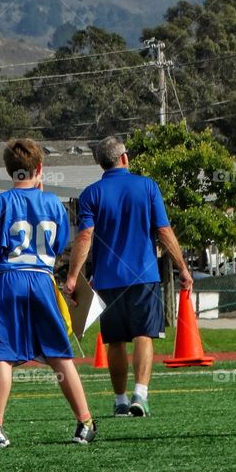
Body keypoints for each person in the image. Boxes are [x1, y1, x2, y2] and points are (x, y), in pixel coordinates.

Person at [0, 138, 96, 448]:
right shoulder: (53, 203)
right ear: (39, 169)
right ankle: (85, 422)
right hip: (41, 280)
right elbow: (56, 246)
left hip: (7, 280)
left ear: (10, 170)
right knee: (58, 354)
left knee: (2, 355)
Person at [64, 136, 193, 418]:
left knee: (115, 341)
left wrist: (74, 275)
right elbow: (164, 231)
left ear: (101, 163)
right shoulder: (147, 187)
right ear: (124, 157)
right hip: (144, 276)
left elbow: (85, 236)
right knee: (144, 335)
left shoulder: (90, 194)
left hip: (108, 281)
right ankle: (140, 396)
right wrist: (182, 267)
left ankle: (120, 401)